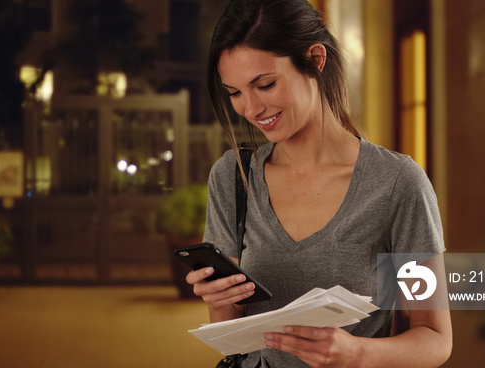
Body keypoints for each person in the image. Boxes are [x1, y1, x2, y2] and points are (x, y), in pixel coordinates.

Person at [185, 0, 453, 367]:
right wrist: (220, 299)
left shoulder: (396, 184)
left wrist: (359, 353)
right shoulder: (233, 176)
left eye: (264, 85)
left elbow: (436, 339)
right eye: (234, 92)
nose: (249, 109)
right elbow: (233, 343)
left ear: (315, 59)